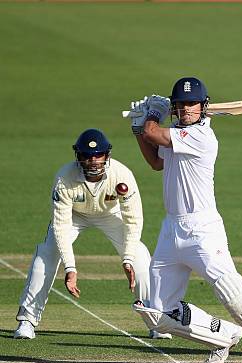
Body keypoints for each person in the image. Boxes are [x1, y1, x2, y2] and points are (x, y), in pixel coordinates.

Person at [129, 77, 242, 363]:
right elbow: (155, 162)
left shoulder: (202, 138)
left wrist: (150, 115)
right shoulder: (175, 133)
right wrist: (138, 129)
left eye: (192, 104)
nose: (186, 109)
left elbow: (153, 131)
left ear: (203, 107)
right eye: (181, 104)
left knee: (233, 294)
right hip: (171, 230)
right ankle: (224, 336)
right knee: (158, 314)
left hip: (202, 230)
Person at [13, 129, 169, 340]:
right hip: (75, 216)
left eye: (98, 155)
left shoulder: (122, 175)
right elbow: (60, 226)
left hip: (109, 213)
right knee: (46, 256)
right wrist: (70, 267)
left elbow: (133, 220)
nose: (93, 160)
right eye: (87, 155)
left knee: (140, 258)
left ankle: (155, 322)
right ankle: (27, 319)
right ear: (78, 156)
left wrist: (127, 259)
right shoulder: (65, 178)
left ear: (107, 155)